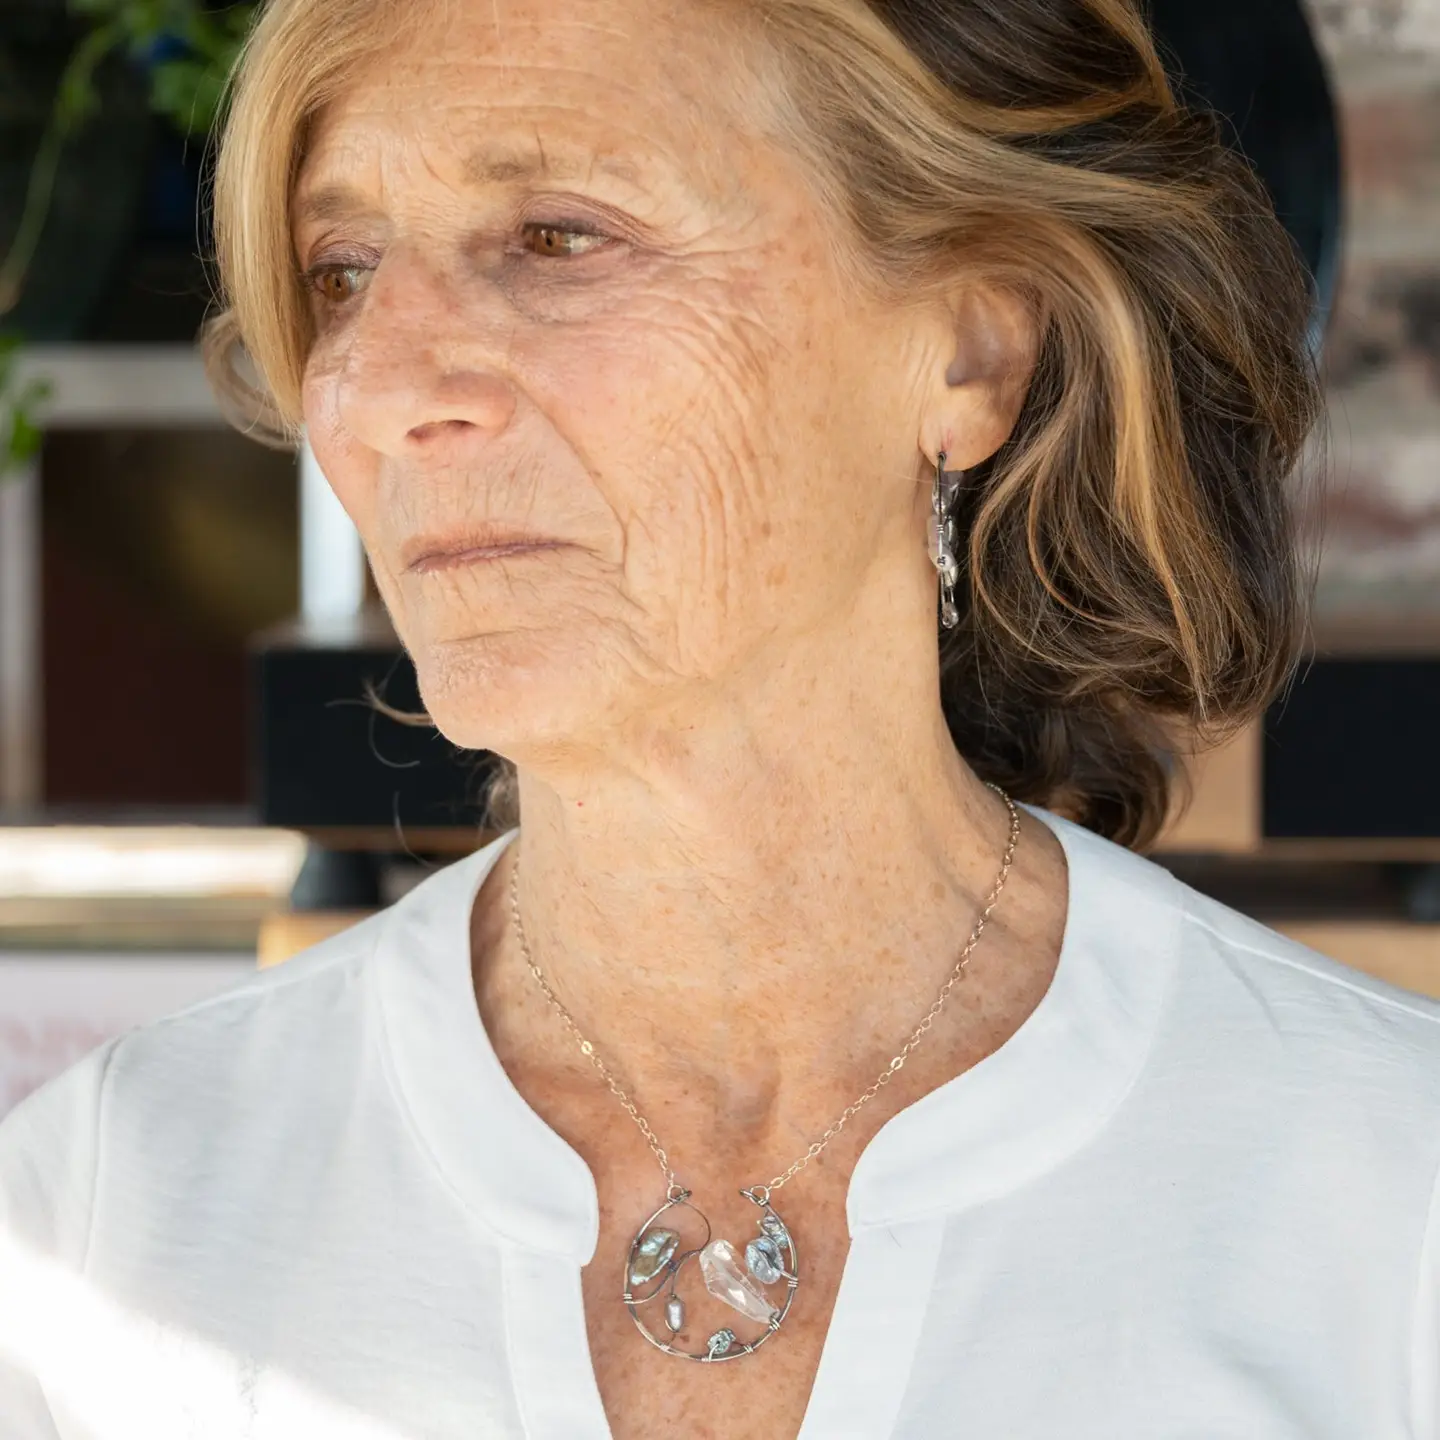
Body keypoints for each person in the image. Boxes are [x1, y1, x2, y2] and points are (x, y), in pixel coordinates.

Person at [3, 0, 1439, 1434]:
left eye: (558, 237)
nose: (379, 387)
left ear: (974, 354)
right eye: (344, 271)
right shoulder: (103, 1223)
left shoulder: (1384, 1198)